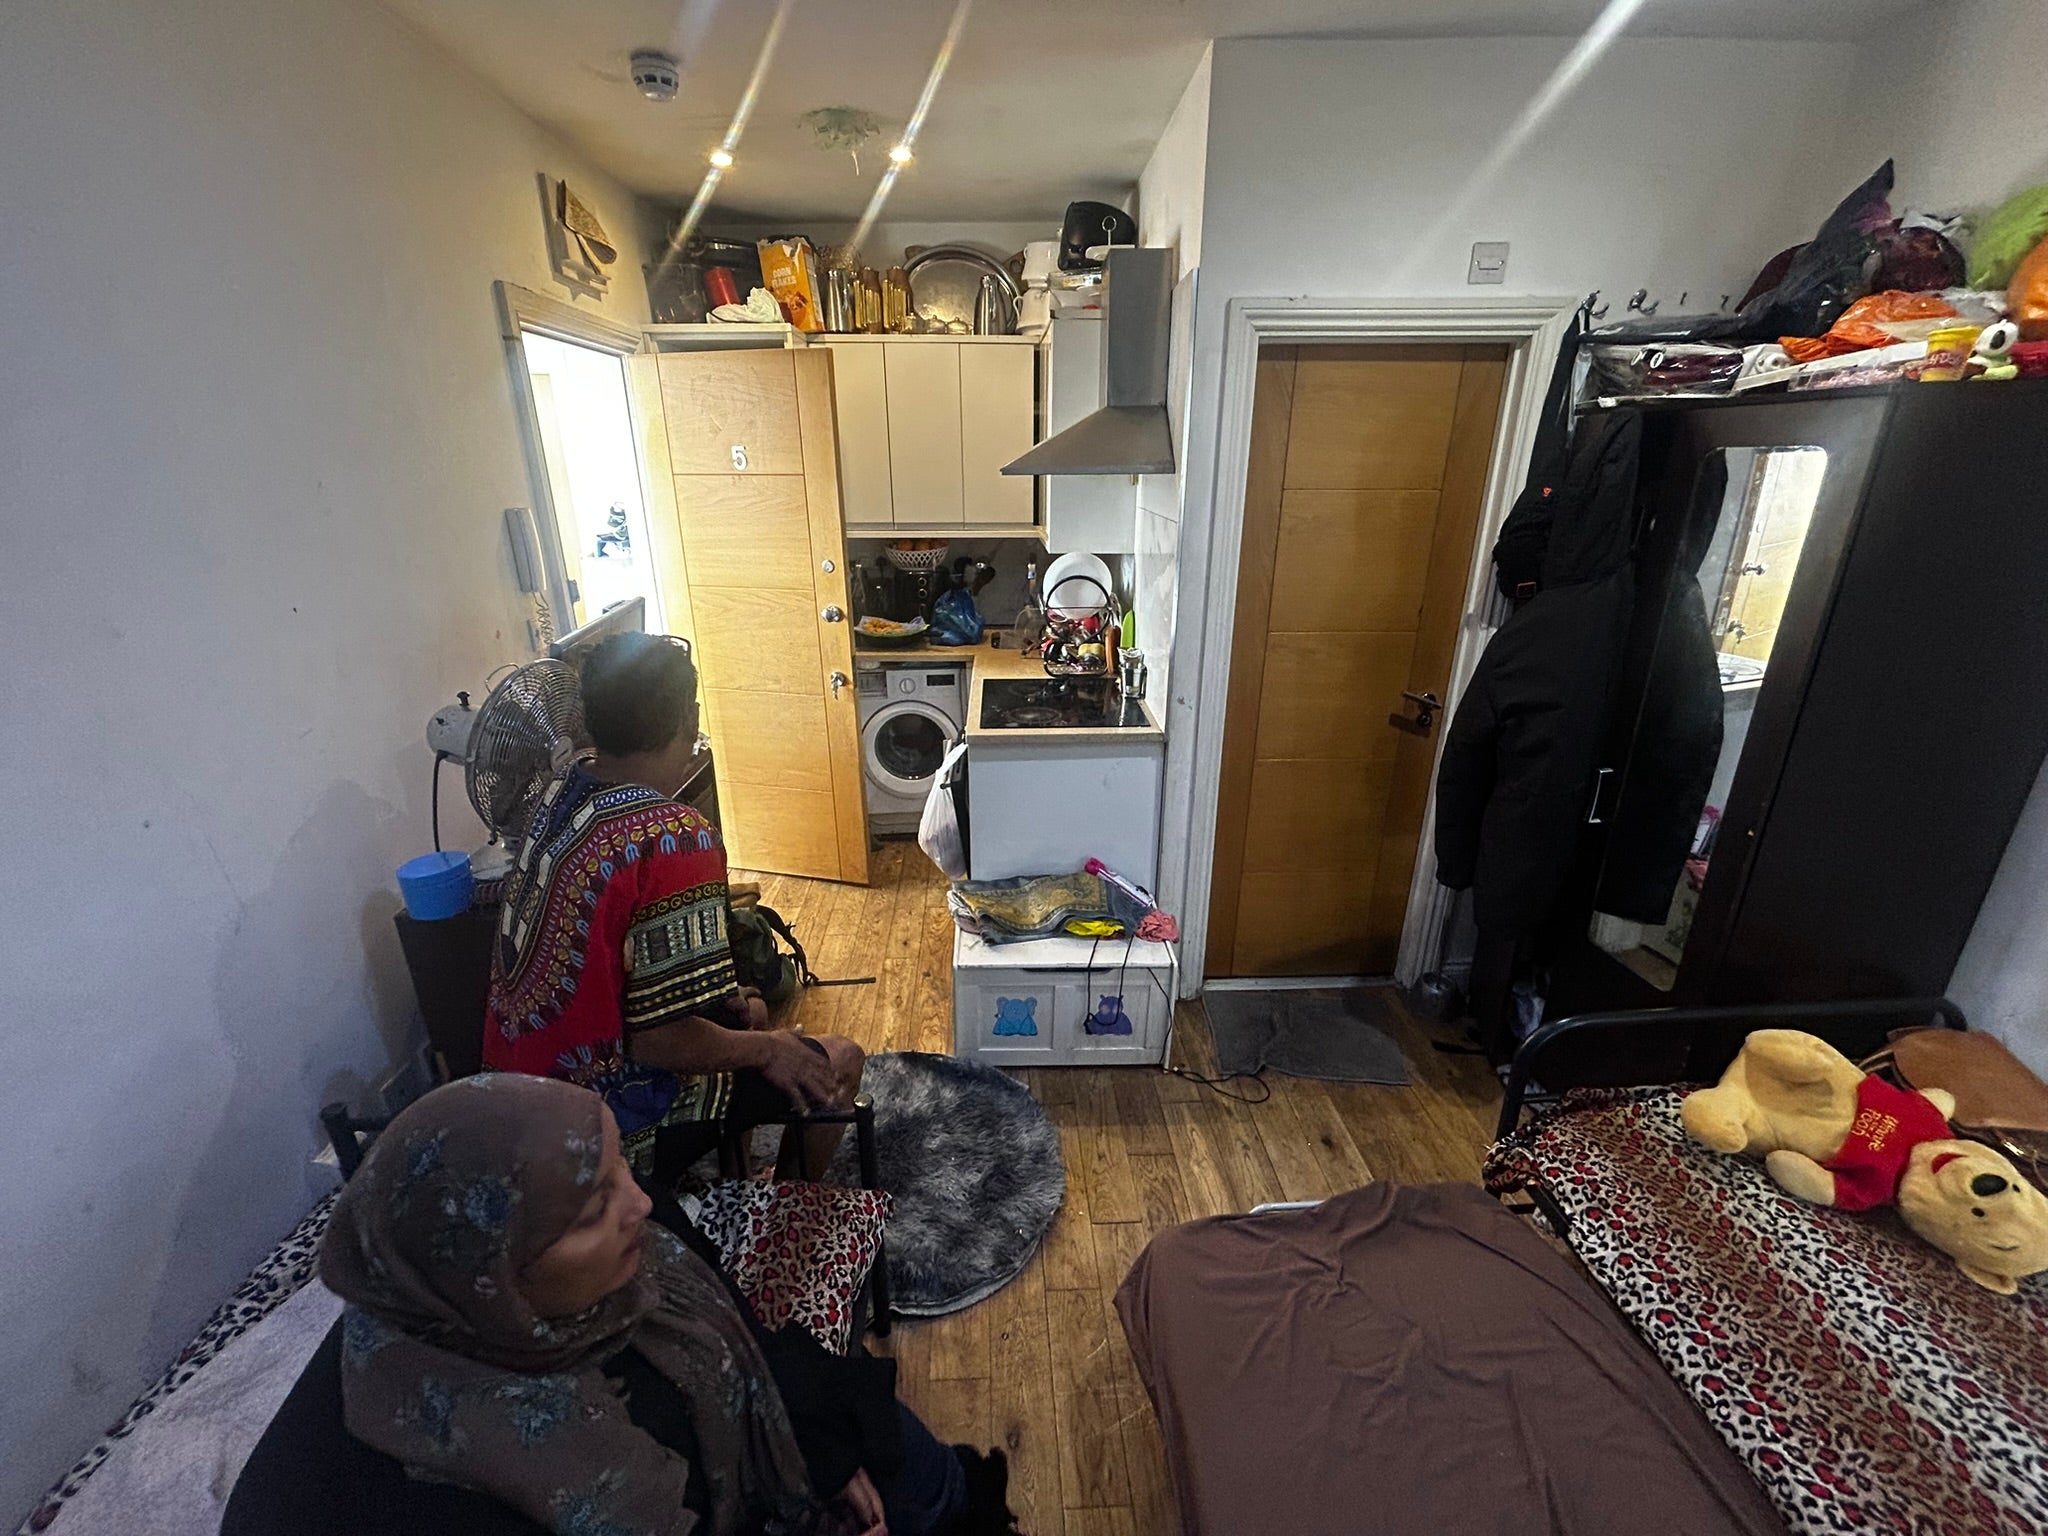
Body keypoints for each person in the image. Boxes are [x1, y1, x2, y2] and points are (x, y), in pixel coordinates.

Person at [225, 1075, 1014, 1535]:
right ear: (498, 1280)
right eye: (591, 1210)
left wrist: (809, 1440)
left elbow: (738, 1319)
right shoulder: (447, 1478)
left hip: (753, 1450)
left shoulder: (604, 1246)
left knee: (915, 1464)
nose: (640, 1204)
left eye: (618, 1170)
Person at [484, 631, 864, 1179]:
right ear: (689, 719)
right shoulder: (674, 837)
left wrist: (743, 1024)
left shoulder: (557, 790)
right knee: (839, 1058)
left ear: (589, 721)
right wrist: (769, 1051)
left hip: (517, 1088)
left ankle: (731, 1179)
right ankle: (781, 1210)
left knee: (751, 1011)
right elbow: (658, 1040)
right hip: (594, 1123)